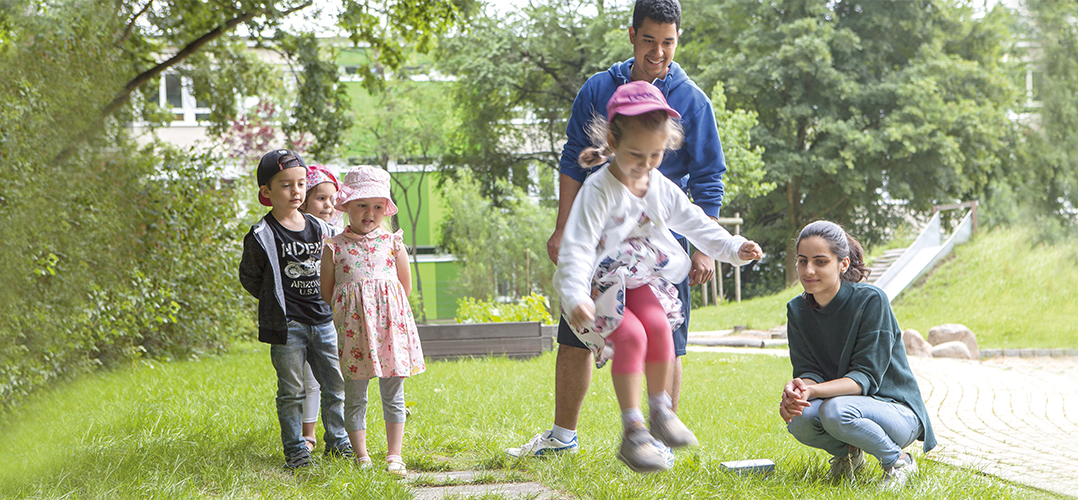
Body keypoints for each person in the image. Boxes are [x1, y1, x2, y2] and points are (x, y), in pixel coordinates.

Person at [510, 0, 728, 458]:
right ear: (632, 35)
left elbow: (709, 178)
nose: (659, 52)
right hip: (601, 236)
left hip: (658, 239)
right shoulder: (598, 88)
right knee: (576, 331)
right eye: (649, 40)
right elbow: (573, 159)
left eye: (668, 42)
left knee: (665, 336)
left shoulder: (691, 100)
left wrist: (706, 248)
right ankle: (562, 437)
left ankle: (657, 436)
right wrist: (562, 227)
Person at [552, 81, 763, 472]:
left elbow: (695, 222)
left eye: (656, 154)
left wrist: (733, 248)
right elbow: (577, 247)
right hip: (600, 283)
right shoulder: (598, 190)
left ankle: (660, 412)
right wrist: (574, 295)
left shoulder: (658, 184)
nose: (646, 164)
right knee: (631, 336)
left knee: (658, 326)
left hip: (641, 274)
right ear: (613, 142)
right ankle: (633, 431)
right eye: (636, 154)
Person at [779, 221, 936, 490]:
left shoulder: (871, 301)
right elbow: (808, 369)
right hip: (845, 407)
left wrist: (813, 391)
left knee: (836, 410)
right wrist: (798, 390)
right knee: (800, 417)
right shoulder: (797, 310)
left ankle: (898, 460)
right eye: (802, 261)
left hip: (895, 410)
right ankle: (848, 457)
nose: (809, 270)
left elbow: (864, 379)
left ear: (843, 264)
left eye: (820, 261)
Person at [239, 149, 353, 469]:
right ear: (267, 192)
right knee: (292, 390)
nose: (296, 191)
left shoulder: (321, 229)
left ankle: (338, 440)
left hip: (323, 320)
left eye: (301, 184)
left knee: (335, 383)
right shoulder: (261, 235)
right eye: (286, 185)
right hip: (287, 326)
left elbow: (338, 263)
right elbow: (249, 277)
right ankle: (296, 449)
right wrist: (276, 302)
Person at [319, 165, 425, 476]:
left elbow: (403, 287)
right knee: (355, 395)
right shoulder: (334, 247)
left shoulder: (393, 242)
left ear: (386, 209)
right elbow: (328, 290)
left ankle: (395, 455)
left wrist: (383, 308)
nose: (370, 212)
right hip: (354, 331)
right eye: (362, 205)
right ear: (347, 206)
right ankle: (361, 455)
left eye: (378, 206)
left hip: (391, 330)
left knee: (394, 394)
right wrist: (355, 310)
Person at [296, 164, 341, 452]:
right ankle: (307, 434)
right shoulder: (293, 232)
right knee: (307, 380)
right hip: (300, 316)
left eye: (333, 199)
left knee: (333, 379)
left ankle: (338, 436)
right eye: (321, 199)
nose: (329, 205)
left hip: (330, 316)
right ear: (304, 201)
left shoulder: (337, 235)